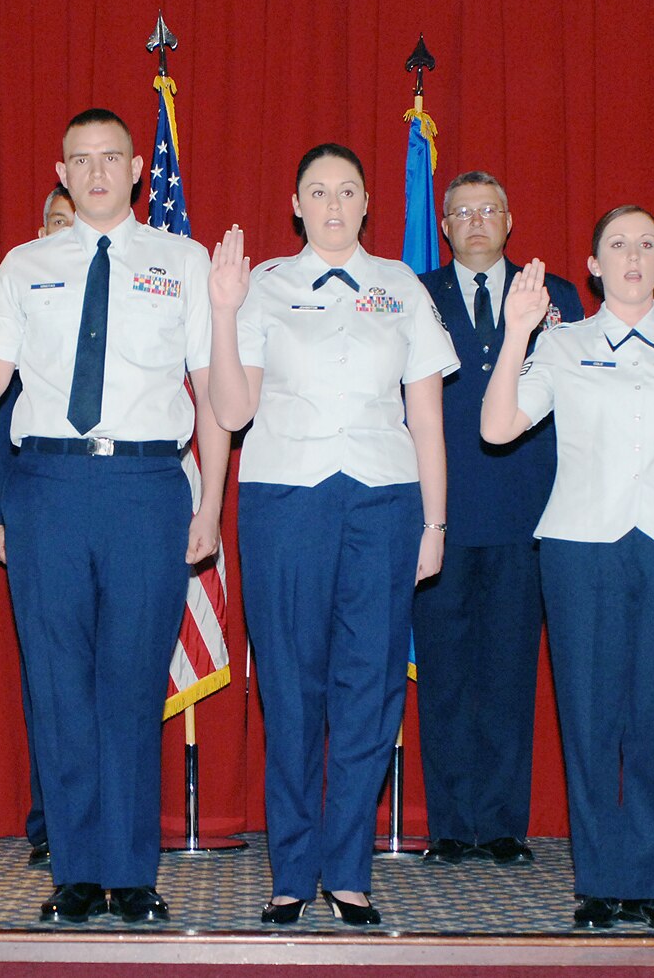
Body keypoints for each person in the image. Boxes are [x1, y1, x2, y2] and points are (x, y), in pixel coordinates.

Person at [0, 108, 230, 923]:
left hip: (146, 488)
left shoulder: (183, 259)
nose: (96, 171)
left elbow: (210, 394)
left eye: (111, 157)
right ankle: (74, 872)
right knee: (59, 685)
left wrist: (208, 502)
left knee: (133, 685)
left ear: (140, 169)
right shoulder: (24, 265)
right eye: (80, 160)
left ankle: (132, 873)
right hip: (49, 489)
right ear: (61, 173)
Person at [205, 143, 456, 925]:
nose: (334, 205)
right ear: (296, 204)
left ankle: (346, 869)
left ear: (368, 202)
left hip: (384, 501)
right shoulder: (265, 288)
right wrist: (220, 309)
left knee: (370, 688)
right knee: (289, 685)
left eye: (347, 190)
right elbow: (235, 411)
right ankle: (291, 869)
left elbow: (427, 416)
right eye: (319, 191)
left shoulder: (402, 287)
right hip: (287, 501)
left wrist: (435, 523)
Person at [483, 205, 654, 931]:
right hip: (581, 548)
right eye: (618, 246)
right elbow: (497, 427)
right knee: (590, 721)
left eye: (648, 245)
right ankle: (599, 883)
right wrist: (516, 336)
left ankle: (653, 883)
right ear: (592, 266)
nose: (634, 257)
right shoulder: (561, 346)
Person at [412, 170, 584, 868]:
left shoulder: (557, 296)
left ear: (510, 220)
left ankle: (504, 824)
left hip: (528, 513)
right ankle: (453, 824)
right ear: (445, 226)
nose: (476, 222)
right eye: (461, 212)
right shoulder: (416, 296)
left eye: (488, 210)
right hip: (442, 514)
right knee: (447, 676)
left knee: (512, 676)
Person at [0, 183, 77, 870]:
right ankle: (52, 821)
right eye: (55, 220)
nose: (62, 230)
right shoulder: (19, 298)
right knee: (50, 679)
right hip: (33, 504)